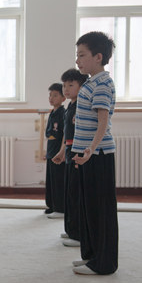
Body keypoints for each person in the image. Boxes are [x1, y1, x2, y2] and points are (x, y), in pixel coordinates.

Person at [71, 31, 118, 276]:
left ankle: (104, 263)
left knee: (100, 210)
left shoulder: (103, 83)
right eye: (76, 55)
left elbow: (103, 122)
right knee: (88, 208)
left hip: (97, 155)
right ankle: (91, 256)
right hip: (86, 154)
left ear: (98, 56)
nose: (77, 60)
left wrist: (91, 149)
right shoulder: (90, 82)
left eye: (82, 55)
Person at [52, 68, 88, 248]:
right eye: (64, 85)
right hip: (68, 150)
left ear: (81, 87)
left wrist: (77, 154)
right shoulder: (70, 107)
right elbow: (66, 133)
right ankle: (71, 229)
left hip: (77, 152)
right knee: (69, 193)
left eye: (71, 85)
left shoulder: (82, 105)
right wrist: (61, 152)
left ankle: (79, 234)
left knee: (76, 194)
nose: (66, 89)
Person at [44, 83, 66, 219]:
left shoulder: (63, 113)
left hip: (59, 152)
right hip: (51, 151)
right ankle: (51, 205)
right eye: (50, 95)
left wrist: (62, 152)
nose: (51, 98)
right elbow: (49, 133)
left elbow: (64, 133)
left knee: (59, 181)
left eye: (55, 95)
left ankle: (60, 207)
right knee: (51, 180)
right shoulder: (52, 113)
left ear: (63, 98)